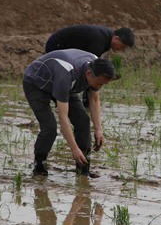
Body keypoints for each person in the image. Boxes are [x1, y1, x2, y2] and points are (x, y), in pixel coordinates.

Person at [23, 49, 116, 177]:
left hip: (64, 85)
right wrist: (73, 148)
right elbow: (63, 116)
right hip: (36, 83)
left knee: (83, 120)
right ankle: (39, 165)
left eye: (103, 84)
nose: (99, 86)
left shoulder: (96, 65)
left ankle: (83, 169)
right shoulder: (66, 73)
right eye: (99, 83)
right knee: (49, 127)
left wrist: (98, 129)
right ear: (89, 74)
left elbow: (94, 99)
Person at [44, 25, 134, 58]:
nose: (121, 50)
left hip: (66, 49)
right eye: (122, 46)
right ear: (116, 39)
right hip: (56, 45)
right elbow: (90, 62)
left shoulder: (108, 37)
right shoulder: (100, 40)